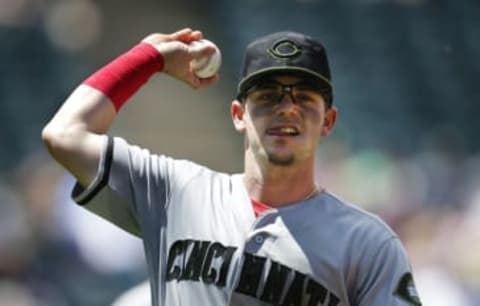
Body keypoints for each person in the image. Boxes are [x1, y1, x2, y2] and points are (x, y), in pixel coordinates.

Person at [42, 28, 422, 306]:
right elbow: (64, 134)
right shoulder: (175, 191)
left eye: (304, 97)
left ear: (328, 121)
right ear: (238, 115)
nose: (286, 107)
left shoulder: (368, 243)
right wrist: (149, 57)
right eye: (268, 96)